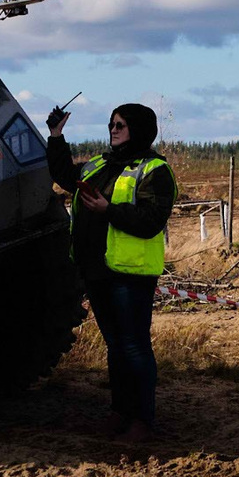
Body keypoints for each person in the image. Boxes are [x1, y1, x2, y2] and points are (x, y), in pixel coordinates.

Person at [46, 100, 174, 447]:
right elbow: (64, 175)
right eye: (111, 124)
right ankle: (120, 411)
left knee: (134, 347)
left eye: (121, 124)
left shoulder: (155, 170)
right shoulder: (100, 164)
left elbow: (150, 222)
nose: (113, 129)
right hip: (96, 270)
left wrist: (107, 210)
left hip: (129, 275)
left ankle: (142, 421)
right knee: (116, 346)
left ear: (140, 129)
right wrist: (56, 136)